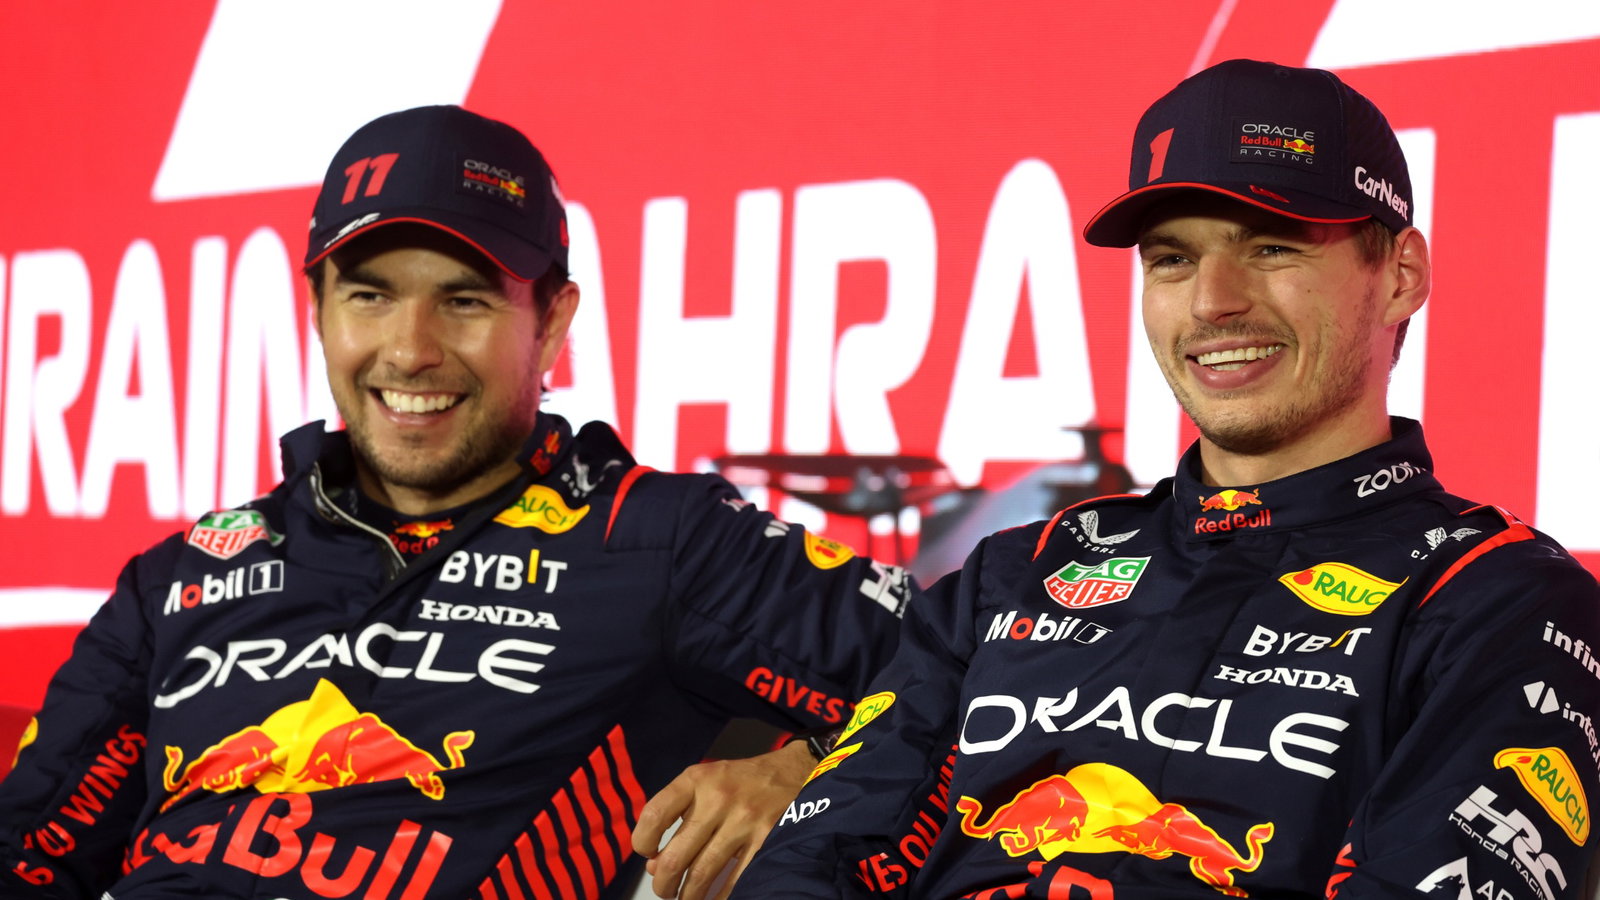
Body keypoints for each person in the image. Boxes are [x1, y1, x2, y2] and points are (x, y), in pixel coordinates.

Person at [731, 59, 1600, 899]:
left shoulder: (1497, 597)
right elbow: (823, 855)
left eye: (1271, 246)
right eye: (1170, 260)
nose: (1213, 301)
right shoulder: (1012, 573)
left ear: (1400, 276)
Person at [0, 105, 914, 900]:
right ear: (319, 307)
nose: (410, 351)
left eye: (465, 302)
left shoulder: (656, 539)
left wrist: (805, 771)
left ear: (551, 320)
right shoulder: (184, 576)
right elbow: (31, 847)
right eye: (370, 296)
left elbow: (975, 665)